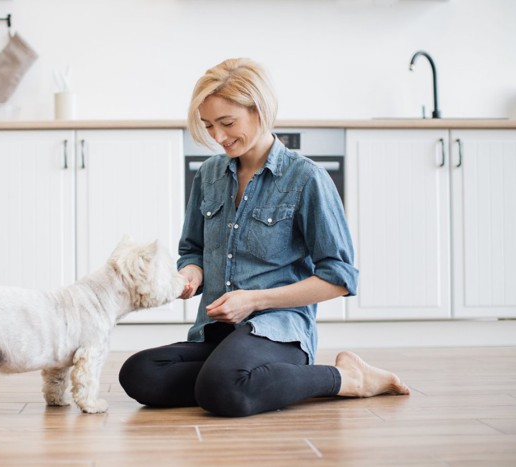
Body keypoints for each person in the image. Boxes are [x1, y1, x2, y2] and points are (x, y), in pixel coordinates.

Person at [119, 58, 410, 417]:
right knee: (139, 374)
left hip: (279, 332)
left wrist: (255, 300)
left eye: (227, 123)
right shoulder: (209, 174)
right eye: (209, 126)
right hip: (216, 333)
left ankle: (348, 378)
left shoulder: (306, 179)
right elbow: (191, 250)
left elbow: (340, 278)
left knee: (222, 389)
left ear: (258, 110)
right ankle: (242, 378)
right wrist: (189, 275)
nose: (218, 137)